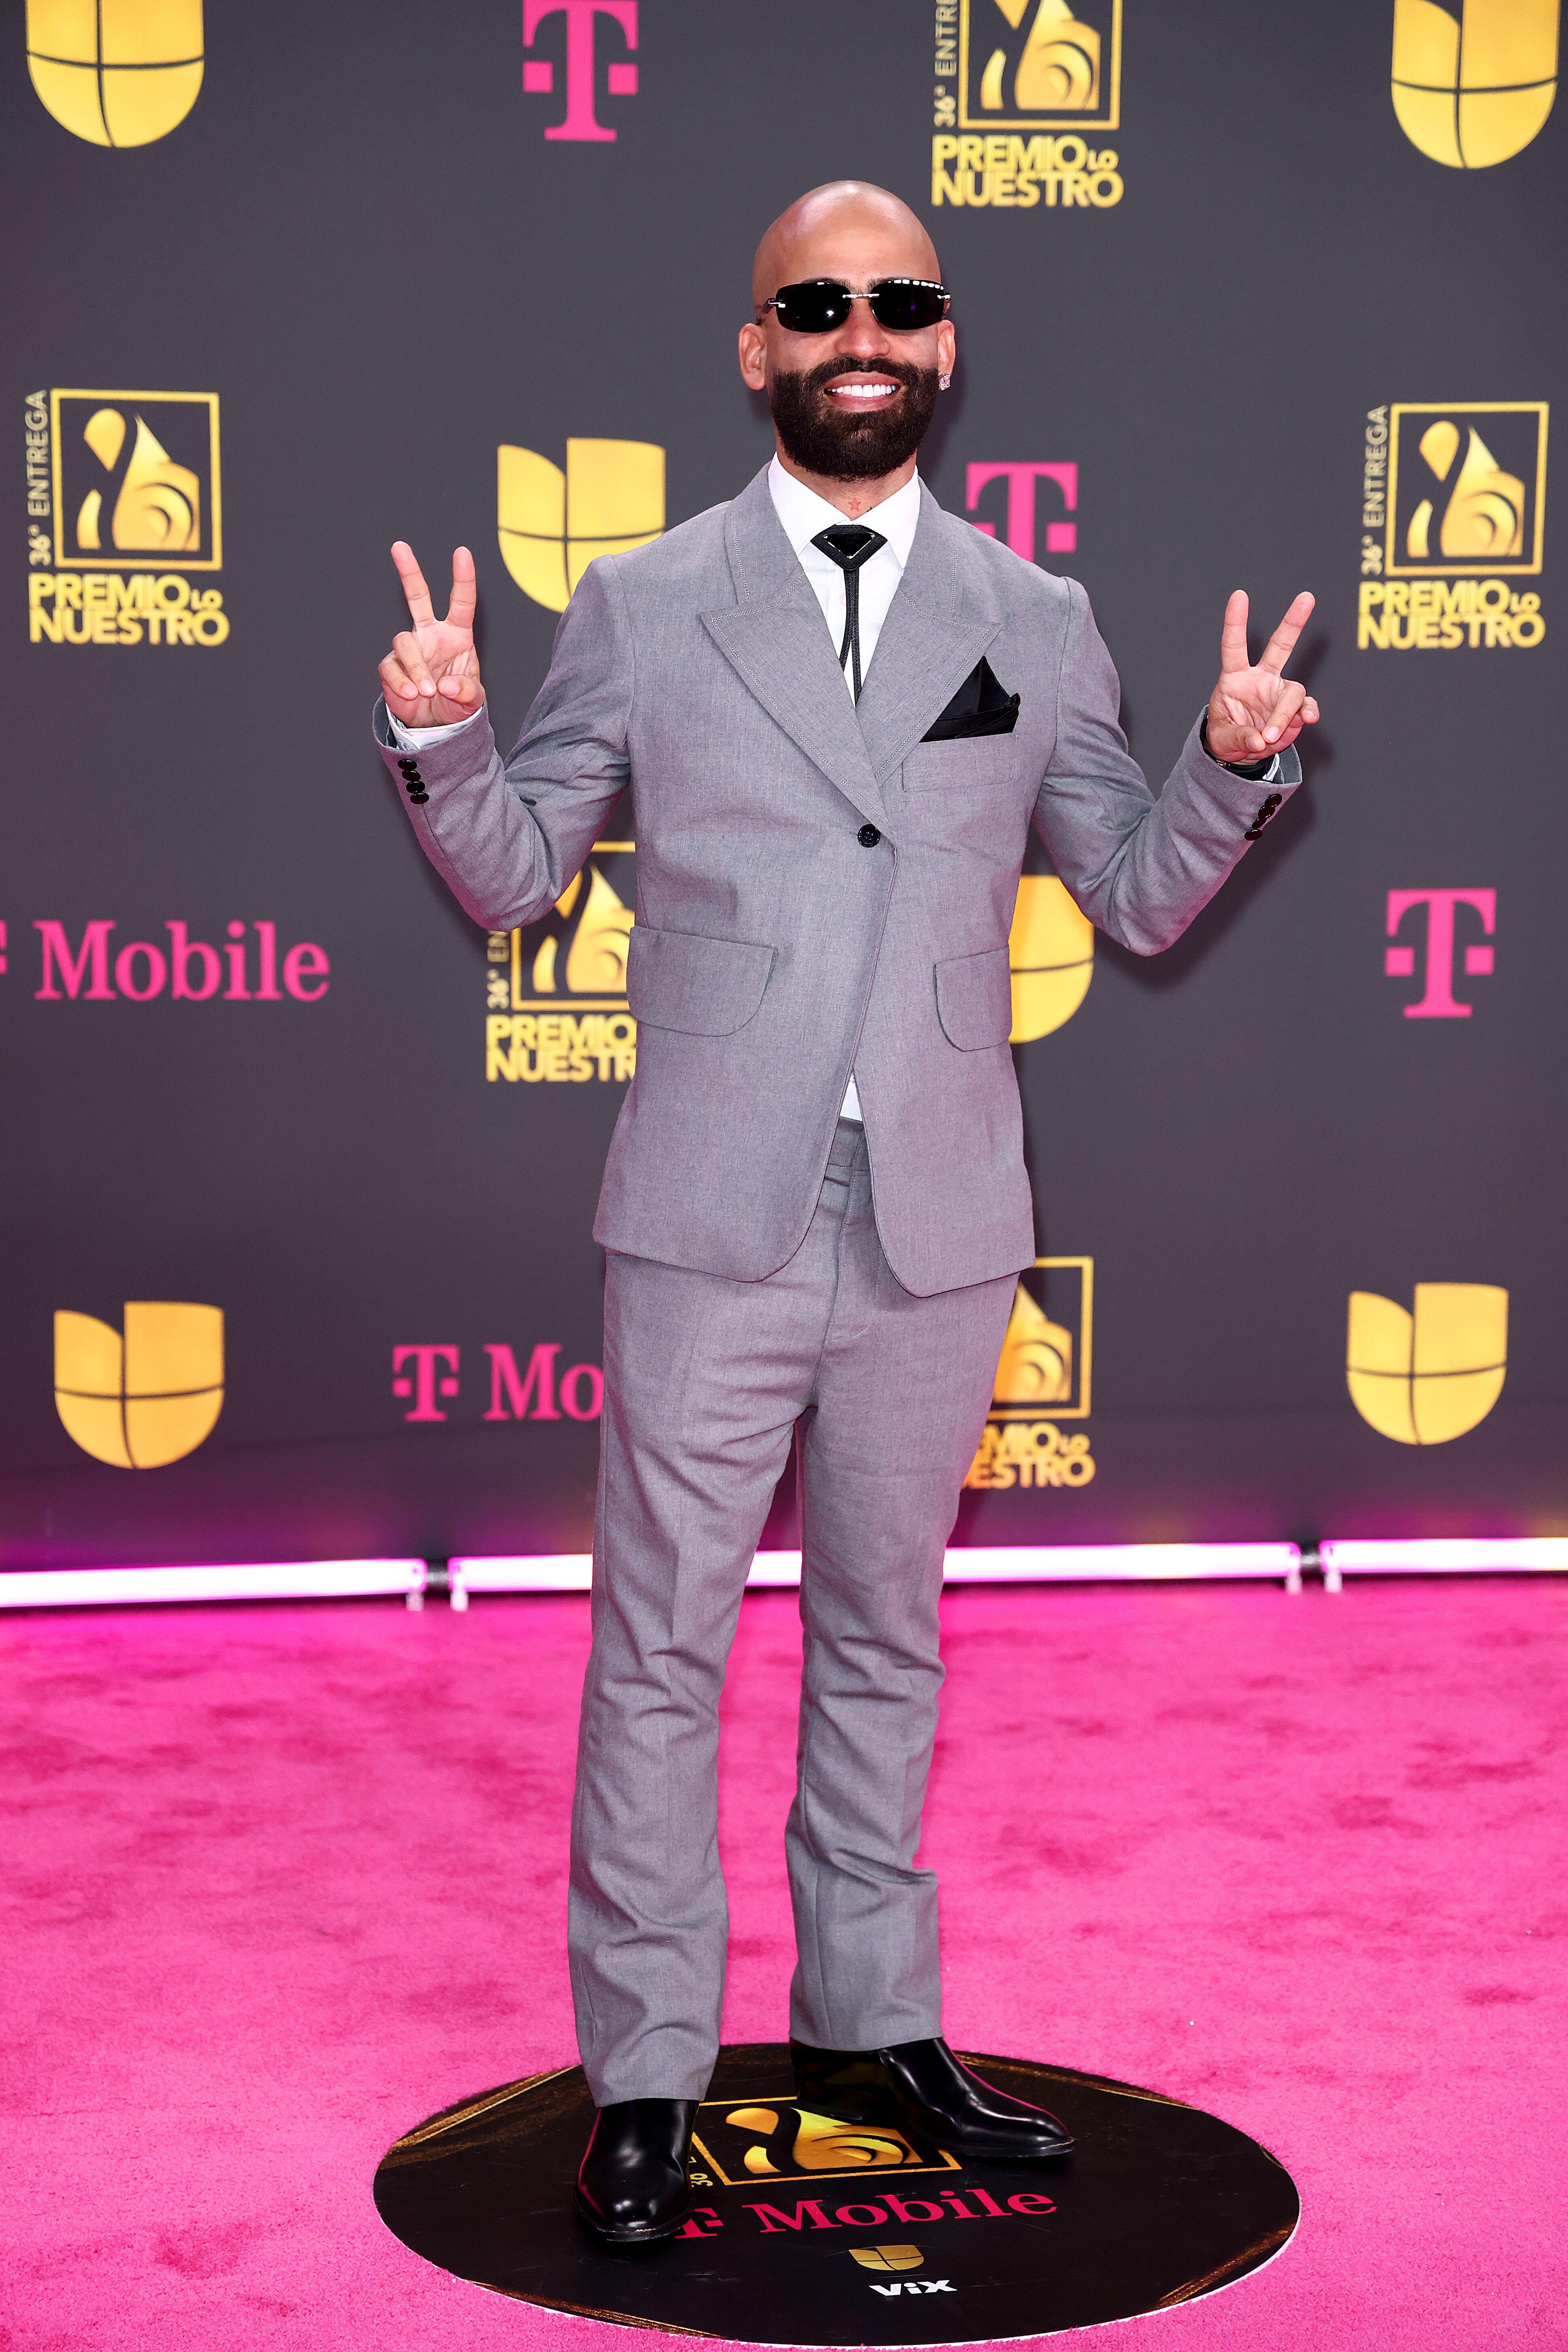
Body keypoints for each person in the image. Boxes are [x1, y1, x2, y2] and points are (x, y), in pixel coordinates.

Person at [373, 180, 1318, 2246]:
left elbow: (1138, 894)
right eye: (815, 301)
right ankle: (645, 2073)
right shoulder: (641, 595)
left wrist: (1231, 767)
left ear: (947, 341)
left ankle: (871, 2028)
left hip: (941, 1217)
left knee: (887, 1639)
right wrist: (443, 729)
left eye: (897, 299)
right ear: (755, 347)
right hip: (711, 1203)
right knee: (660, 1651)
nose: (857, 329)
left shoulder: (1036, 615)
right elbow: (522, 872)